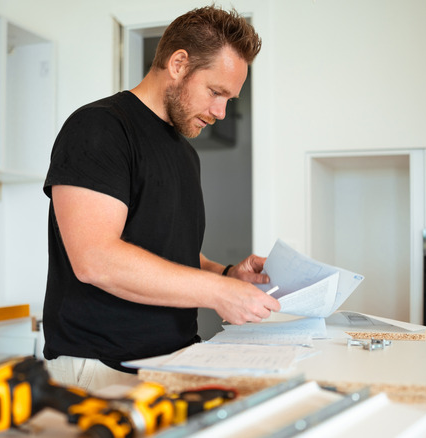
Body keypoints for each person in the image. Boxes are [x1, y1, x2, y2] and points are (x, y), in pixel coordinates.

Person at [42, 5, 280, 391]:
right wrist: (219, 293)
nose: (220, 112)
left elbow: (165, 252)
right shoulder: (99, 127)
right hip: (102, 370)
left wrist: (226, 274)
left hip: (174, 360)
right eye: (216, 92)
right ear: (179, 63)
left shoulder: (185, 152)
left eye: (229, 100)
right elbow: (95, 260)